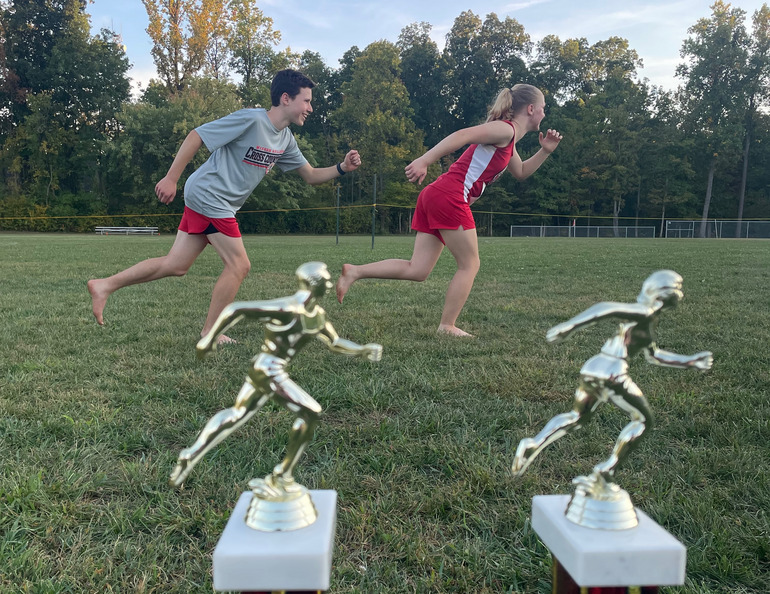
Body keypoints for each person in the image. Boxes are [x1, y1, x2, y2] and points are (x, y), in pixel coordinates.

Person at [88, 69, 361, 343]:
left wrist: (342, 168)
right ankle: (210, 331)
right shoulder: (251, 120)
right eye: (307, 101)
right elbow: (197, 135)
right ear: (286, 98)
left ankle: (104, 286)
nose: (310, 108)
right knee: (239, 265)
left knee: (176, 265)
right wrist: (171, 178)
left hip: (214, 201)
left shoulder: (286, 139)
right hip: (210, 195)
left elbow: (310, 175)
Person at [335, 84, 562, 337]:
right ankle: (447, 326)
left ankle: (355, 271)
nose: (544, 113)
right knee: (470, 264)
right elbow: (462, 135)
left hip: (437, 195)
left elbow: (520, 172)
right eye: (543, 108)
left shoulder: (509, 141)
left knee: (418, 270)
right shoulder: (504, 130)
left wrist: (545, 151)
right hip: (449, 197)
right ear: (531, 109)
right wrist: (424, 160)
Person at [169, 262, 382, 491]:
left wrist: (362, 349)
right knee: (311, 412)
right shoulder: (288, 308)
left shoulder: (317, 315)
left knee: (237, 414)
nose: (329, 283)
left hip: (266, 369)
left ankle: (190, 455)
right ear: (312, 283)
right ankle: (283, 476)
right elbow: (235, 309)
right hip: (269, 369)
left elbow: (335, 343)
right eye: (325, 279)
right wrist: (209, 339)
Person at [511, 270, 713, 495]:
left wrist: (690, 361)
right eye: (678, 288)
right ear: (664, 293)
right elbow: (606, 307)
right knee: (643, 421)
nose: (680, 294)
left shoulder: (649, 319)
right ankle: (606, 470)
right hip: (613, 372)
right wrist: (569, 326)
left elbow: (654, 355)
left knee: (577, 417)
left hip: (594, 367)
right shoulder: (645, 311)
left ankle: (533, 444)